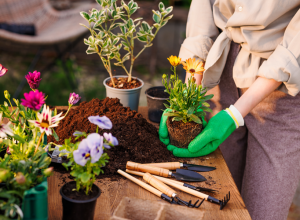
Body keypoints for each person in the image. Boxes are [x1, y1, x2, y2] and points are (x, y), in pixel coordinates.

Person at [158, 1, 300, 220]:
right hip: (221, 70)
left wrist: (234, 115)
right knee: (210, 206)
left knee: (262, 213)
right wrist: (186, 98)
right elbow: (203, 9)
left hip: (280, 91)